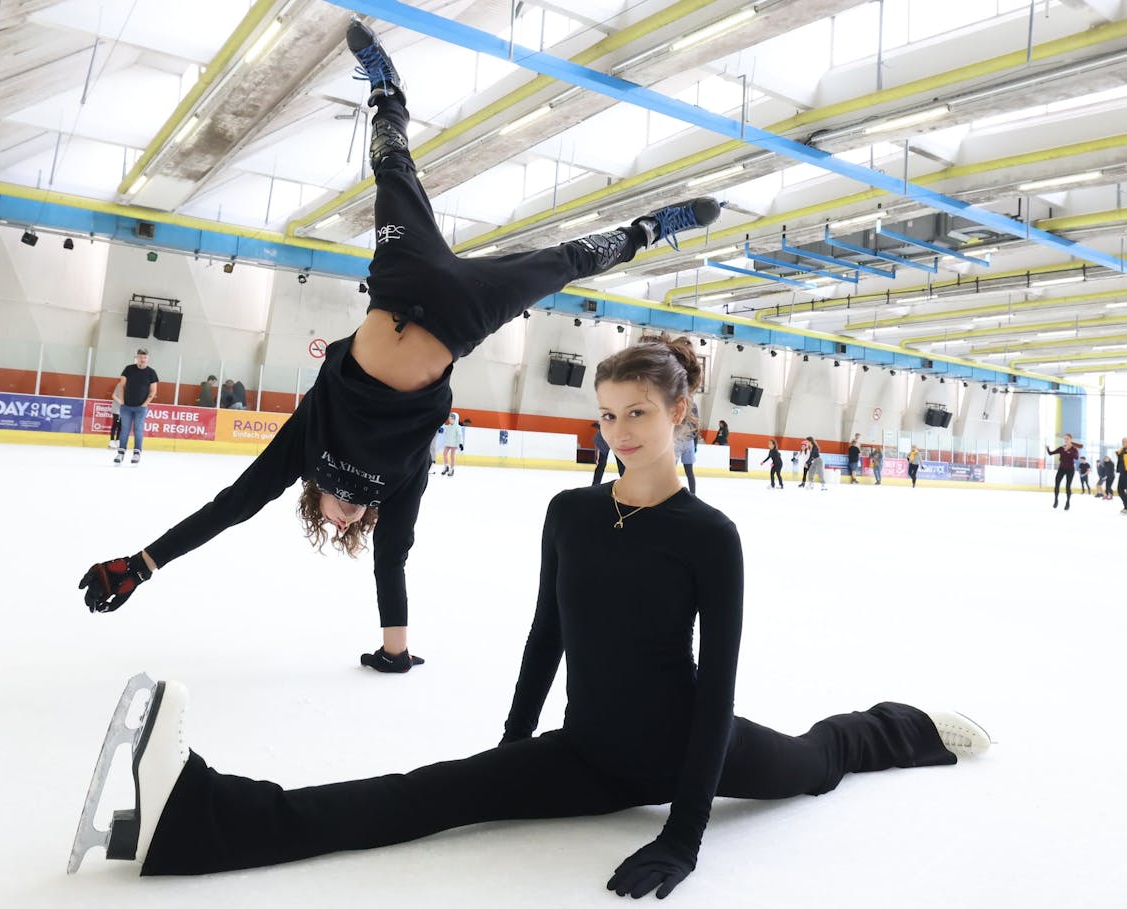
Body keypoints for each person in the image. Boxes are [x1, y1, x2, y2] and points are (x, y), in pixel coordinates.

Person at [72, 338, 990, 893]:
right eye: (606, 415)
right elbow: (548, 632)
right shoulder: (571, 511)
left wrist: (683, 833)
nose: (619, 431)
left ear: (680, 413)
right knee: (423, 793)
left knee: (818, 764)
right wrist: (514, 738)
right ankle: (201, 818)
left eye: (638, 412)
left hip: (685, 748)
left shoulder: (710, 535)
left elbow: (716, 694)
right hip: (585, 749)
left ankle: (904, 728)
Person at [76, 19, 722, 672]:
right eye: (350, 527)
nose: (344, 518)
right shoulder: (400, 482)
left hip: (400, 279)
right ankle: (648, 228)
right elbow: (394, 559)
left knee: (390, 166)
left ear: (314, 497)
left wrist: (141, 564)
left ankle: (386, 92)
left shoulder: (306, 443)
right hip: (462, 315)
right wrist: (395, 651)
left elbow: (231, 506)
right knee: (564, 262)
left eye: (332, 520)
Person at [111, 349, 158, 466]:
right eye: (141, 356)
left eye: (145, 357)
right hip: (126, 406)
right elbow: (121, 386)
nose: (143, 359)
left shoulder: (151, 372)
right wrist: (122, 401)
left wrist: (145, 404)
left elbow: (153, 391)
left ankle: (137, 453)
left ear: (148, 358)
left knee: (138, 430)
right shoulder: (128, 369)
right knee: (124, 430)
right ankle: (121, 453)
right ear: (137, 357)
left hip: (141, 408)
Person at [1047, 433, 1083, 510]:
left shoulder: (1074, 449)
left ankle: (1067, 502)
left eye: (1067, 438)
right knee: (1057, 483)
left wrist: (1069, 451)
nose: (1065, 440)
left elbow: (1076, 458)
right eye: (1065, 438)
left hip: (1070, 469)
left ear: (1071, 439)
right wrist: (1047, 448)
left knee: (1068, 486)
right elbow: (1050, 453)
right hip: (1061, 468)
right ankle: (1056, 500)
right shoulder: (1061, 448)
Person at [438, 411, 463, 477]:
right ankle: (446, 466)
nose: (450, 420)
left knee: (452, 456)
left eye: (451, 419)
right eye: (449, 419)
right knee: (444, 454)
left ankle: (451, 469)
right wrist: (441, 430)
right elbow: (444, 429)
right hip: (447, 443)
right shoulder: (448, 426)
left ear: (455, 419)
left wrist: (460, 443)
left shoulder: (458, 427)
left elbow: (460, 435)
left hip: (454, 444)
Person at [675, 425, 698, 495]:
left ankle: (668, 494)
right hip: (689, 441)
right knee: (689, 471)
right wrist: (695, 445)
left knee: (670, 471)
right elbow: (696, 430)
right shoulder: (693, 416)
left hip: (678, 440)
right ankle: (693, 494)